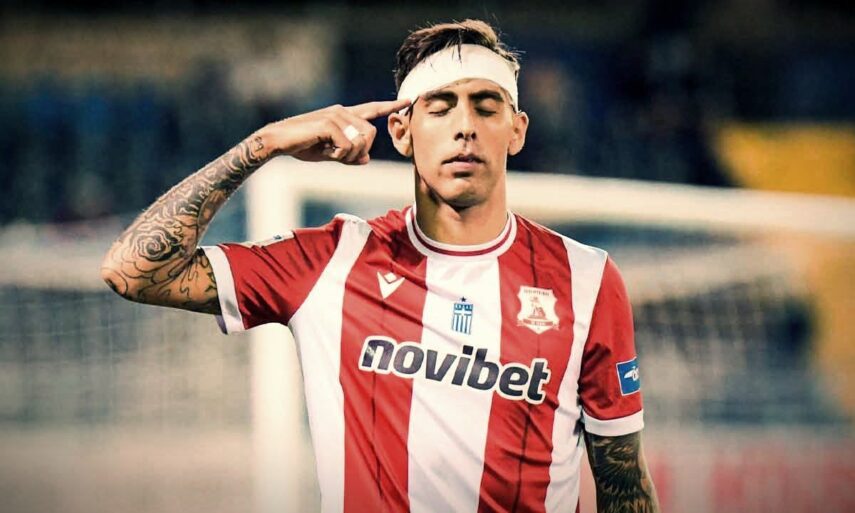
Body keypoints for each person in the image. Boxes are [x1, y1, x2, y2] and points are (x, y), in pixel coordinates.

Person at [101, 19, 660, 513]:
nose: (465, 126)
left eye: (487, 107)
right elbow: (133, 270)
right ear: (401, 131)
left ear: (516, 131)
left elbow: (623, 483)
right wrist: (265, 144)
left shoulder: (586, 280)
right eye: (440, 107)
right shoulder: (333, 260)